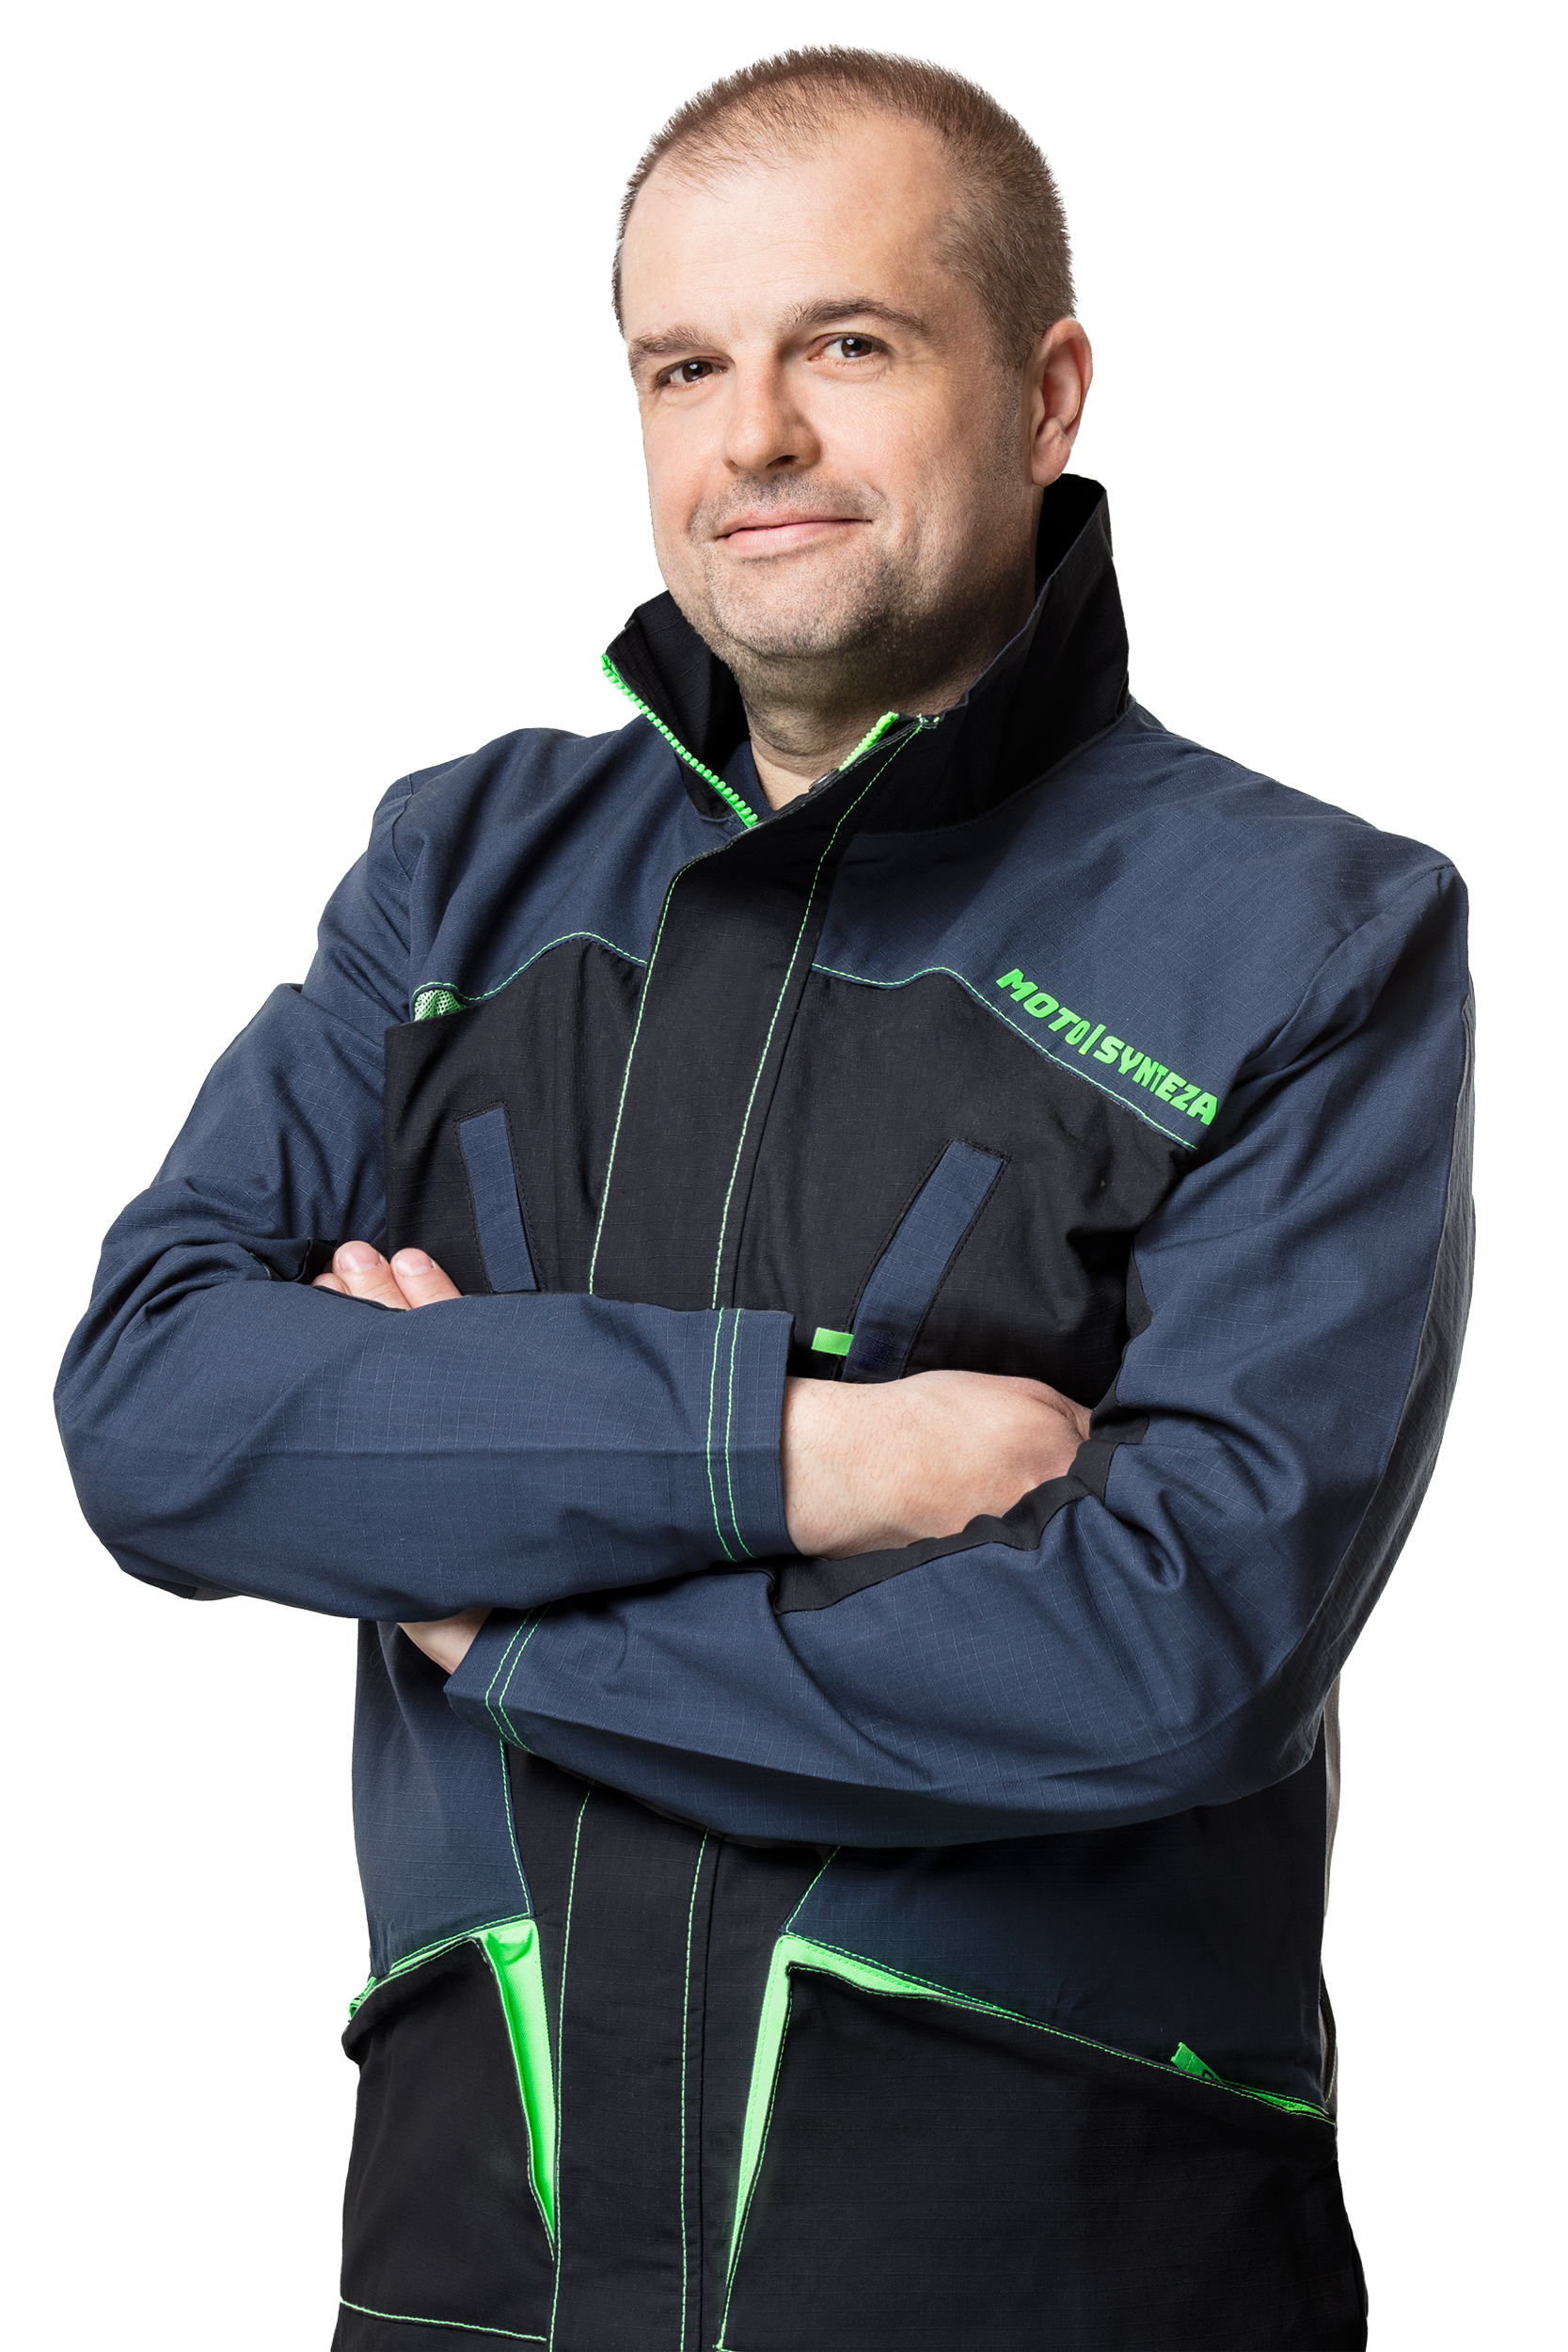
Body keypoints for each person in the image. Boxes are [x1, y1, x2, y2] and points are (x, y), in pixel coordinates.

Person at [55, 46, 1472, 2352]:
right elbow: (153, 1406)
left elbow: (1168, 1654)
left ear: (1047, 396)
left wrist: (491, 1600)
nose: (754, 437)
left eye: (846, 344)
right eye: (683, 368)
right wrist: (811, 1451)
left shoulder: (1304, 941)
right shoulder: (456, 874)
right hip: (470, 2278)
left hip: (1042, 2279)